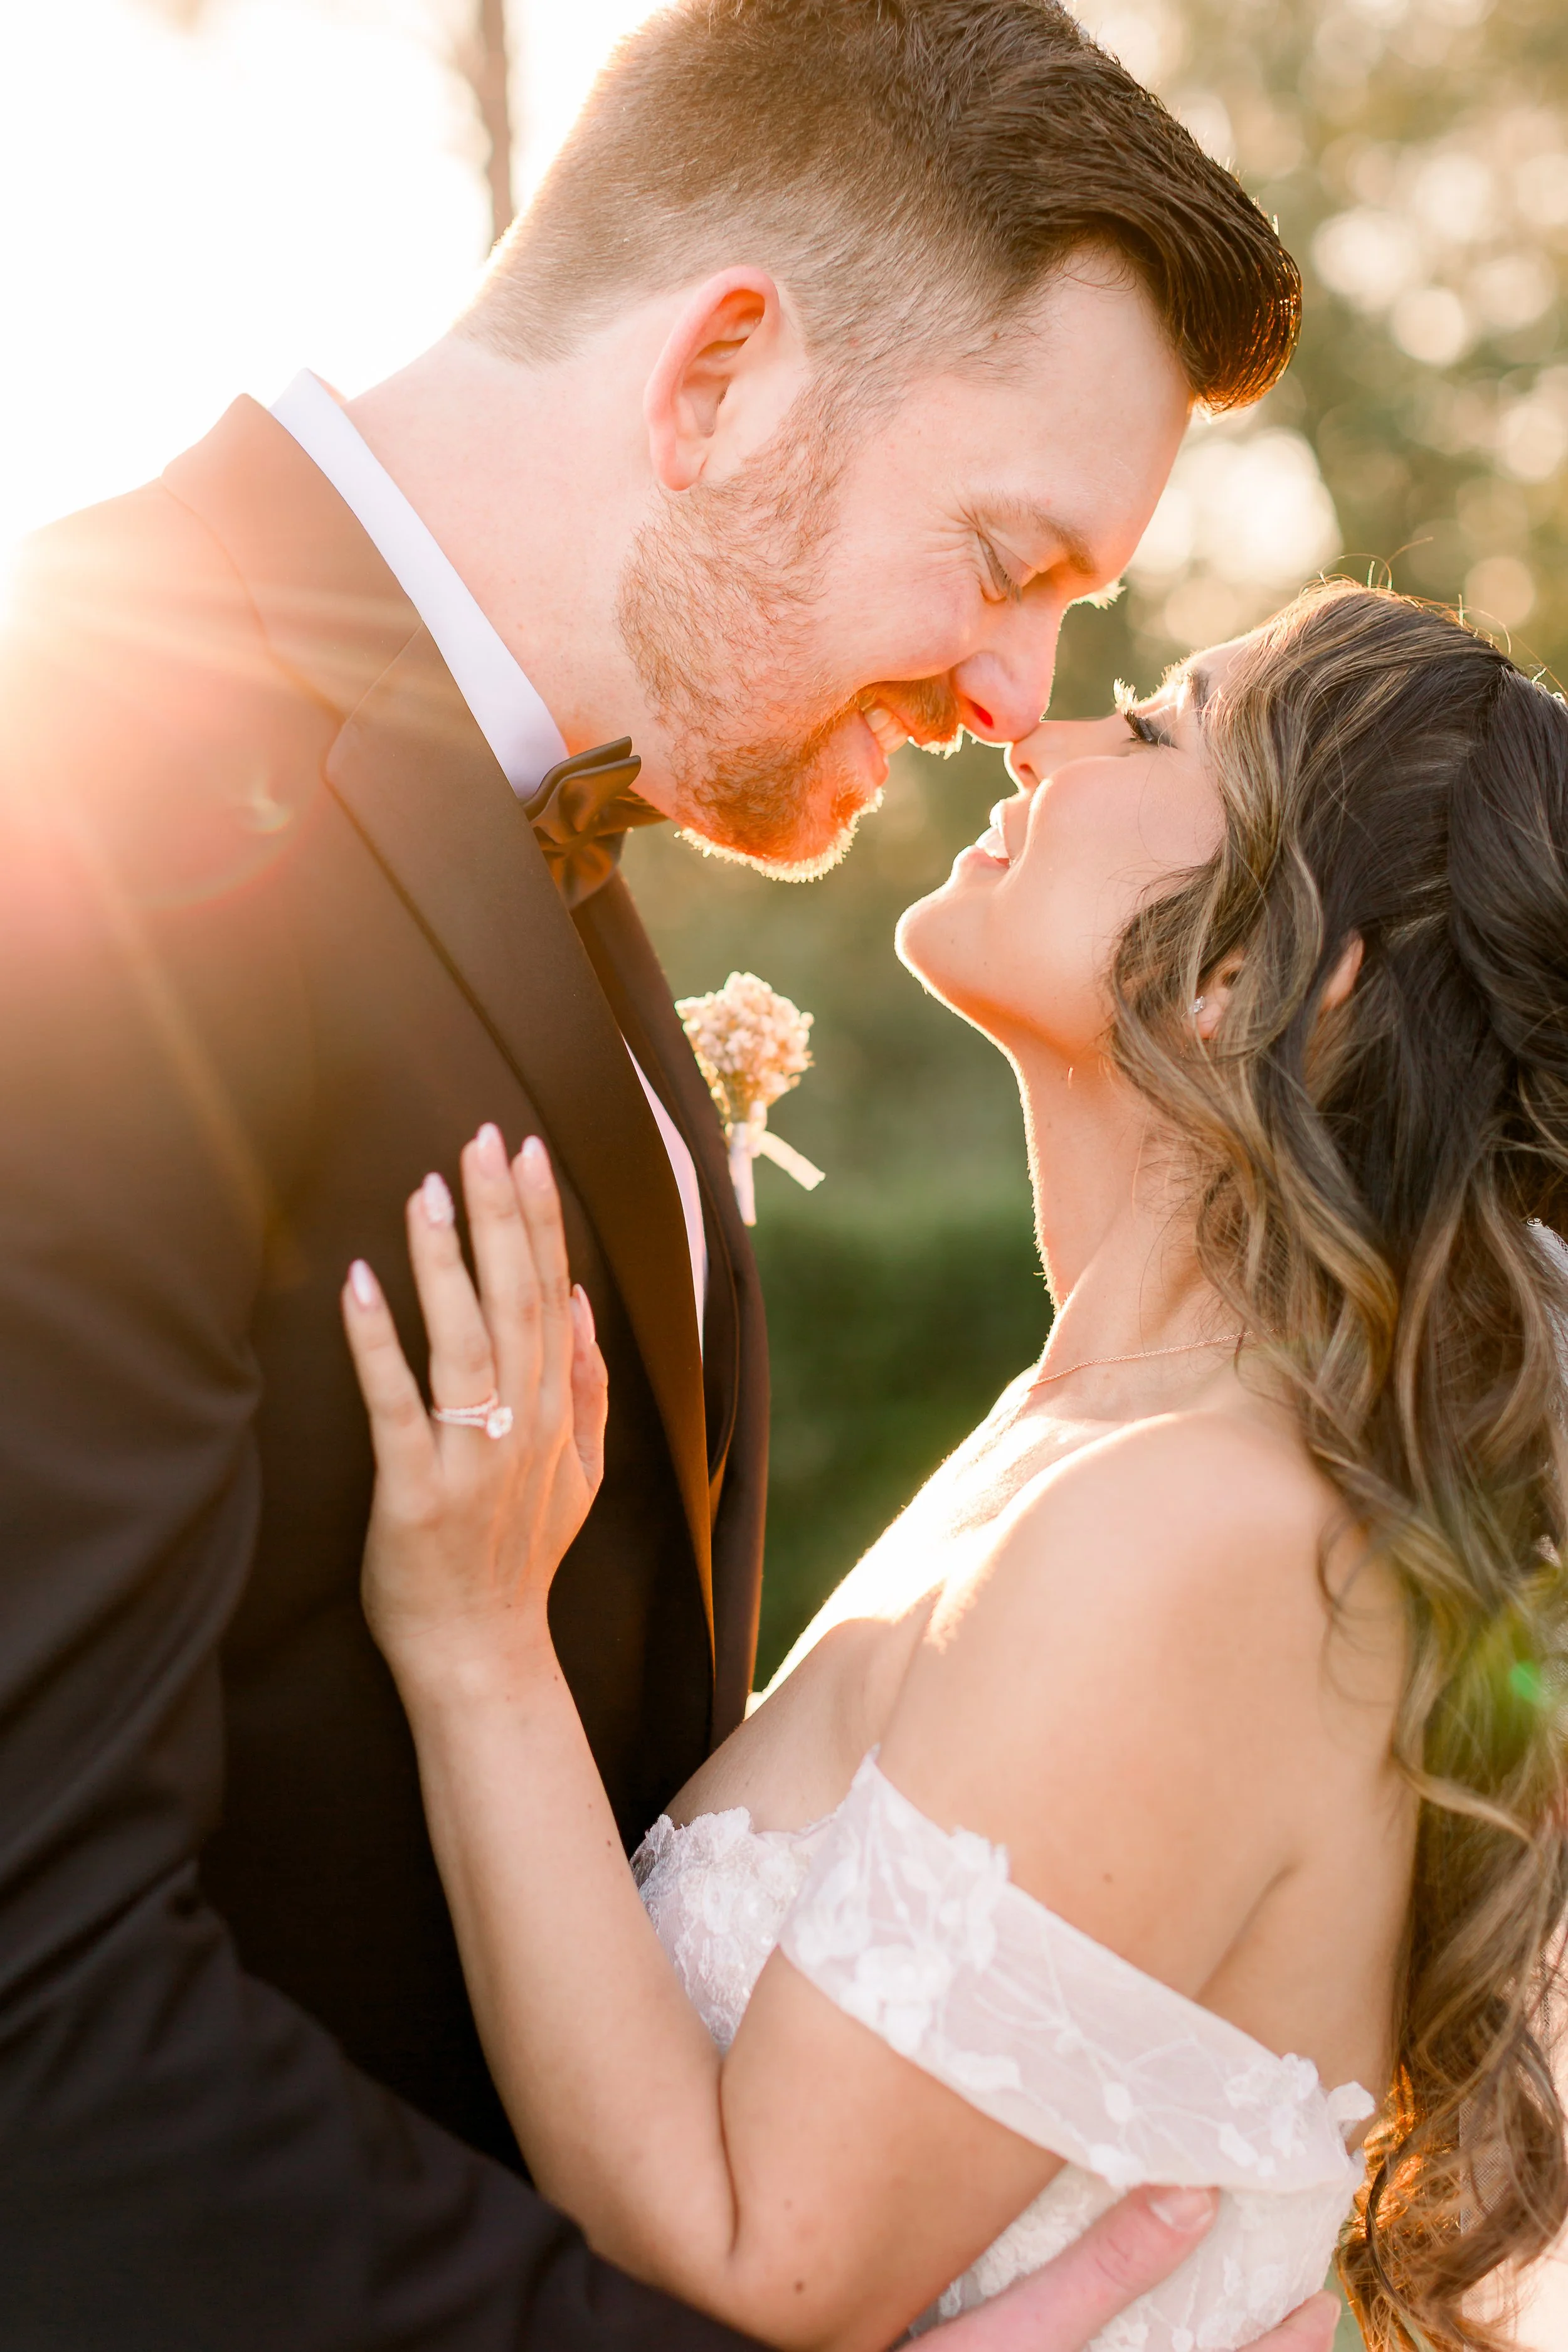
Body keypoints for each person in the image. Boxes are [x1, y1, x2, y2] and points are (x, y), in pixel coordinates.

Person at [0, 3, 1331, 2346]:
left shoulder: (539, 854)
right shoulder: (94, 788)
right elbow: (39, 2001)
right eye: (1004, 558)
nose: (1017, 698)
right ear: (716, 375)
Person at [343, 581, 1568, 2352]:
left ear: (1255, 976)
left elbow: (763, 2255)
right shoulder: (1081, 1443)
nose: (1038, 730)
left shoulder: (1198, 1527)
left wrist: (474, 1646)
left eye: (1155, 727)